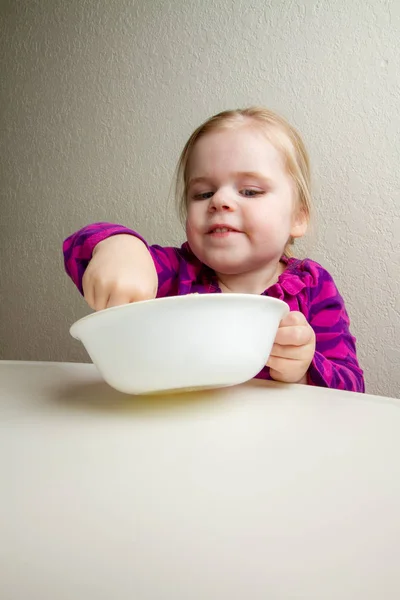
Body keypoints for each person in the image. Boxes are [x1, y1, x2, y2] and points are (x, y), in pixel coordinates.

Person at [63, 107, 365, 392]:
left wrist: (304, 370)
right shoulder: (173, 273)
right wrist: (120, 248)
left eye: (249, 191)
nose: (219, 200)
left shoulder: (313, 287)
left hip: (277, 441)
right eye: (203, 192)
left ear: (298, 217)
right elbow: (81, 251)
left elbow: (354, 389)